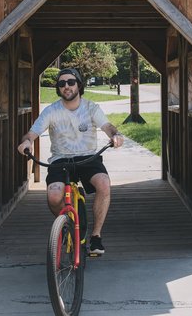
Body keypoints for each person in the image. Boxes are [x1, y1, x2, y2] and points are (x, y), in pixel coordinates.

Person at [17, 67, 124, 255]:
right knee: (54, 196)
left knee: (104, 184)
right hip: (61, 160)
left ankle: (96, 237)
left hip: (88, 158)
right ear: (58, 88)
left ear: (79, 85)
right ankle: (67, 224)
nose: (66, 86)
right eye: (61, 83)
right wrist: (26, 141)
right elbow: (32, 132)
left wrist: (116, 136)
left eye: (71, 82)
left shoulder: (91, 107)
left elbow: (107, 127)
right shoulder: (51, 111)